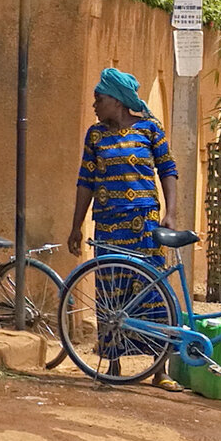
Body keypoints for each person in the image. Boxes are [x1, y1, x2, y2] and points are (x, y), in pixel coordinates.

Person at [66, 67, 183, 392]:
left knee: (153, 296)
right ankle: (113, 366)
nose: (94, 105)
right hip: (108, 226)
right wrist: (76, 225)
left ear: (116, 100)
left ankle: (160, 371)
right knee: (111, 297)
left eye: (99, 99)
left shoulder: (149, 129)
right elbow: (85, 181)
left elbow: (168, 170)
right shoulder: (95, 135)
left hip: (145, 226)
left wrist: (170, 214)